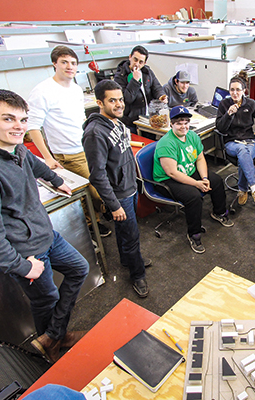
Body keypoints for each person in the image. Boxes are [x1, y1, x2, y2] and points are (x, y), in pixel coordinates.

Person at [0, 89, 89, 363]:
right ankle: (53, 344)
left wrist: (55, 178)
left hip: (45, 235)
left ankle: (52, 335)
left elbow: (33, 162)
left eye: (23, 119)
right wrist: (24, 267)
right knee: (46, 299)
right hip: (26, 251)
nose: (19, 127)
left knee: (79, 268)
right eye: (8, 119)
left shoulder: (14, 147)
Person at [26, 45, 110, 237]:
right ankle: (92, 224)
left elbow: (80, 118)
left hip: (86, 146)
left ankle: (99, 215)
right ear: (54, 64)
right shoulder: (43, 91)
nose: (69, 66)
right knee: (91, 191)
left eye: (73, 63)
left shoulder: (75, 89)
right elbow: (33, 128)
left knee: (100, 185)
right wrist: (47, 158)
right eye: (64, 62)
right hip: (68, 153)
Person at [82, 80, 150, 298]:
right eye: (113, 100)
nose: (119, 104)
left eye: (120, 99)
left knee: (125, 232)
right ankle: (137, 274)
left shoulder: (117, 123)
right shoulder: (94, 133)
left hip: (129, 187)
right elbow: (98, 175)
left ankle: (128, 260)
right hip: (119, 195)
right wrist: (113, 205)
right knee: (131, 235)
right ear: (99, 102)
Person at [153, 106, 234, 254]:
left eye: (186, 122)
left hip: (188, 171)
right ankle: (194, 234)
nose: (183, 126)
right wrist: (197, 184)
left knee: (215, 180)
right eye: (179, 123)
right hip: (166, 180)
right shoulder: (166, 143)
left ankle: (219, 212)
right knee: (194, 197)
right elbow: (172, 173)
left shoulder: (192, 136)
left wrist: (204, 178)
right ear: (172, 124)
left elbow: (200, 158)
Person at [216, 71, 255, 205]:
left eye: (238, 90)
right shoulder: (224, 105)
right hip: (232, 142)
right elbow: (220, 128)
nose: (235, 93)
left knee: (244, 155)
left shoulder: (250, 104)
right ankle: (254, 187)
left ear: (244, 90)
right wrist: (228, 114)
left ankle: (243, 189)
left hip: (250, 141)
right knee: (241, 150)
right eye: (232, 90)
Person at [114, 45, 167, 133]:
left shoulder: (147, 72)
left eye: (141, 62)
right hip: (132, 121)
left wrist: (161, 95)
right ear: (130, 57)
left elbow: (157, 87)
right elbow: (127, 99)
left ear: (144, 63)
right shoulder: (120, 76)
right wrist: (135, 80)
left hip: (148, 118)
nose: (137, 64)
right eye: (135, 59)